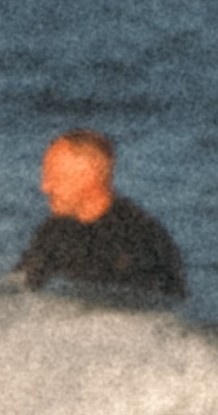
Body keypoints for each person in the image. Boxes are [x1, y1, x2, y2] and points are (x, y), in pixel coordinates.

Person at [11, 128, 188, 305]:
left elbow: (150, 309)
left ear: (88, 177)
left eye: (55, 177)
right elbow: (19, 286)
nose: (45, 187)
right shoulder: (55, 230)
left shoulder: (138, 237)